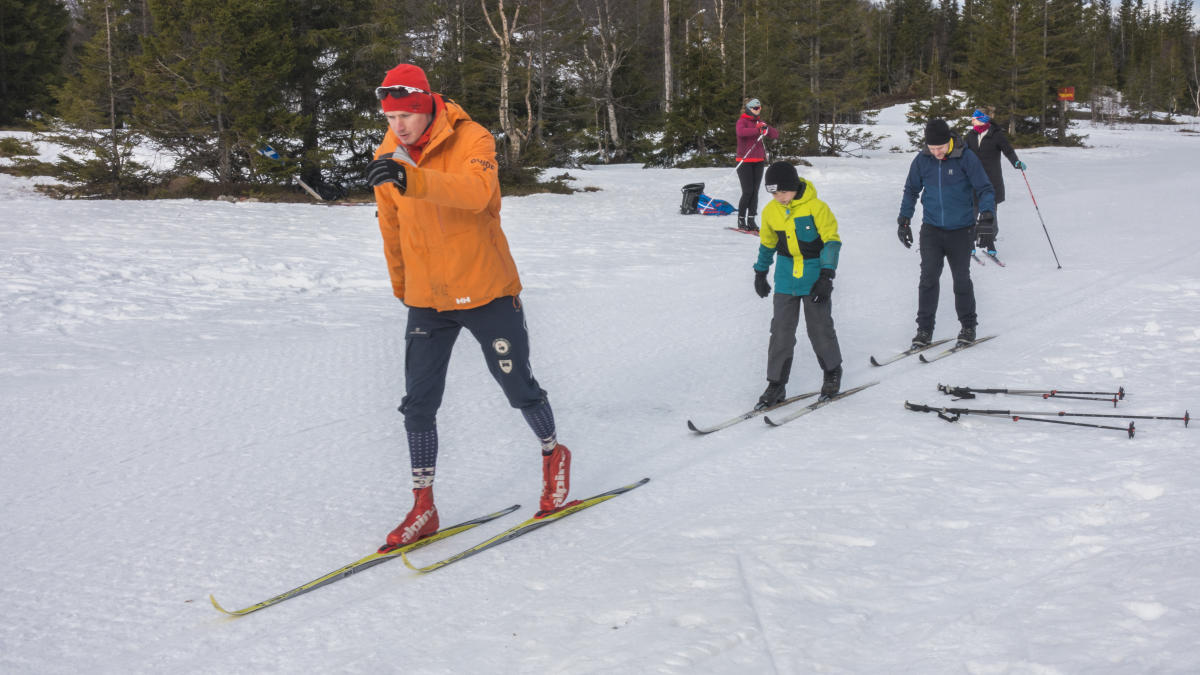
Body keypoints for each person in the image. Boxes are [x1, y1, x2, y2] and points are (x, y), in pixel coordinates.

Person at [363, 63, 572, 552]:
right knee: (418, 402)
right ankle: (424, 506)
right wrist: (403, 287)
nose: (398, 126)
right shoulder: (387, 155)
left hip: (486, 289)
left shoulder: (472, 138)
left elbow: (477, 195)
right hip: (426, 299)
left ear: (425, 107)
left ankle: (553, 454)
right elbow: (391, 229)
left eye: (406, 116)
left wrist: (411, 178)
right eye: (390, 117)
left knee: (516, 384)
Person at [897, 118, 996, 348]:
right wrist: (904, 219)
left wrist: (987, 216)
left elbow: (985, 188)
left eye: (940, 148)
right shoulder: (922, 160)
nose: (936, 152)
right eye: (931, 149)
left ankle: (968, 326)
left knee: (961, 279)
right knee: (928, 278)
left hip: (961, 230)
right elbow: (911, 190)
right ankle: (924, 330)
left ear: (949, 142)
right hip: (931, 229)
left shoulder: (966, 157)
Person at [752, 161, 843, 407]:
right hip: (785, 277)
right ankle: (776, 384)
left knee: (819, 327)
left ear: (793, 187)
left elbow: (831, 242)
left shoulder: (817, 208)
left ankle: (832, 372)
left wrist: (827, 275)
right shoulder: (771, 211)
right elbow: (767, 243)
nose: (778, 197)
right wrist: (760, 272)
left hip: (814, 277)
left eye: (782, 191)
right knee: (780, 332)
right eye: (773, 193)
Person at [964, 107, 1026, 255]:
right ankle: (970, 242)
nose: (972, 121)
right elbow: (963, 153)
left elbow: (1008, 151)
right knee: (972, 212)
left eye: (975, 118)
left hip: (992, 180)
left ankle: (989, 241)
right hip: (973, 181)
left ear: (983, 119)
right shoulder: (970, 135)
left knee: (990, 213)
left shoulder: (996, 135)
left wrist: (1016, 162)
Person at [734, 98, 779, 232]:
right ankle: (741, 219)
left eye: (759, 108)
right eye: (755, 108)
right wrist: (757, 129)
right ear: (749, 109)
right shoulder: (742, 121)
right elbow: (741, 133)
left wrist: (766, 129)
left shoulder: (759, 122)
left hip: (758, 162)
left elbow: (775, 134)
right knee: (747, 192)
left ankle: (751, 220)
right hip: (744, 162)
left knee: (755, 192)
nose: (757, 110)